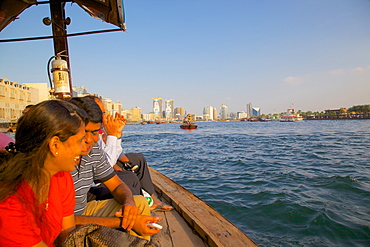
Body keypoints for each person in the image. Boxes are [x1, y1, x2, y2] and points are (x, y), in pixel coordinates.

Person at [68, 97, 161, 241]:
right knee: (131, 183)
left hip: (82, 208)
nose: (89, 139)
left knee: (137, 203)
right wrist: (122, 221)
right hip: (66, 219)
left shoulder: (92, 150)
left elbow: (116, 183)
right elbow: (61, 222)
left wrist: (128, 202)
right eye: (84, 132)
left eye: (94, 132)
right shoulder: (56, 163)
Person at [0, 100, 88, 246]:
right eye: (79, 141)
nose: (83, 149)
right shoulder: (10, 202)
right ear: (55, 145)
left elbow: (68, 235)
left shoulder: (60, 176)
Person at [85, 95, 173, 211]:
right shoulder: (88, 136)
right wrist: (112, 135)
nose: (105, 116)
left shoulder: (97, 133)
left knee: (138, 160)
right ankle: (141, 209)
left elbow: (112, 154)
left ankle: (150, 199)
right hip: (93, 183)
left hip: (102, 168)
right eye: (101, 113)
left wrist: (117, 134)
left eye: (104, 112)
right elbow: (105, 164)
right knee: (130, 179)